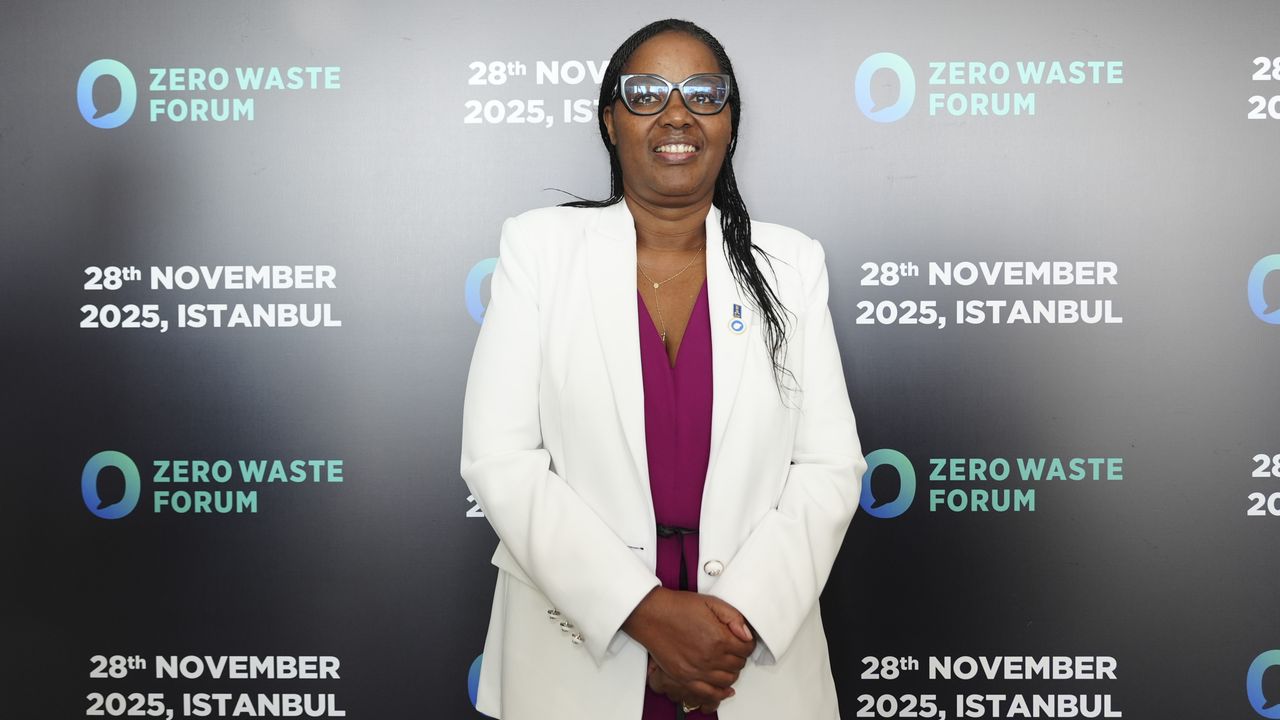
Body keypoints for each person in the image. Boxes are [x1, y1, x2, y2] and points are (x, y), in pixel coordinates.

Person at [460, 18, 866, 720]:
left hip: (742, 660)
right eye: (646, 92)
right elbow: (501, 460)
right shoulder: (540, 250)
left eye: (703, 93)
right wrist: (645, 612)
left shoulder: (791, 264)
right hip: (577, 657)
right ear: (610, 121)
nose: (677, 113)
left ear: (729, 124)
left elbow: (829, 467)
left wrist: (727, 629)